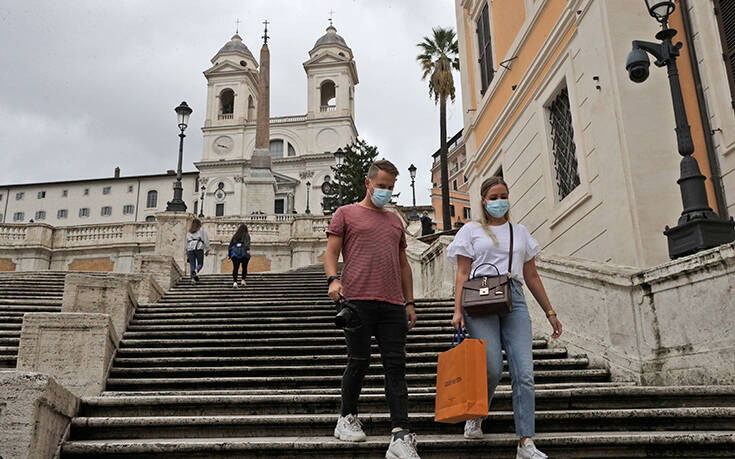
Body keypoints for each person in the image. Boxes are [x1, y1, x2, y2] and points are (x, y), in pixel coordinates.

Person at [446, 176, 562, 459]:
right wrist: (457, 310)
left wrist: (550, 312)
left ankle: (525, 441)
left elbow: (532, 275)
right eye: (494, 196)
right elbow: (462, 272)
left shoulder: (520, 232)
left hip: (514, 296)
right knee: (492, 368)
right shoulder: (471, 230)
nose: (500, 201)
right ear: (484, 201)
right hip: (479, 296)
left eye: (504, 195)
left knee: (524, 372)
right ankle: (476, 413)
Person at [324, 159, 420, 459]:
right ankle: (346, 417)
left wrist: (410, 302)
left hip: (392, 304)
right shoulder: (346, 214)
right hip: (357, 300)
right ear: (368, 183)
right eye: (382, 186)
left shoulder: (394, 222)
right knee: (359, 361)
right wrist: (333, 280)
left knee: (396, 368)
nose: (386, 192)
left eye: (391, 188)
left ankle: (401, 436)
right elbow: (330, 253)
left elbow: (404, 264)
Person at [185, 218, 210, 284]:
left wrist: (186, 252)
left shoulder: (189, 232)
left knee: (192, 265)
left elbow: (186, 242)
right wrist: (207, 249)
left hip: (190, 248)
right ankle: (196, 271)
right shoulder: (201, 231)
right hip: (198, 247)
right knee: (200, 263)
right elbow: (206, 240)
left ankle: (192, 279)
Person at [228, 223, 251, 288]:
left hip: (235, 252)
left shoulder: (235, 235)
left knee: (235, 268)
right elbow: (247, 243)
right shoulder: (246, 235)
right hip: (244, 252)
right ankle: (243, 280)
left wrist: (229, 256)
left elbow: (230, 245)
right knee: (244, 267)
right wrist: (247, 249)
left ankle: (235, 282)